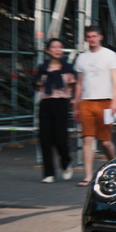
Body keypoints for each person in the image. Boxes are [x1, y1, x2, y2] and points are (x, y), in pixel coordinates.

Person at [73, 25, 116, 187]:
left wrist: (115, 101)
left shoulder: (110, 55)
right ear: (86, 39)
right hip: (86, 102)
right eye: (89, 37)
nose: (92, 39)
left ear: (100, 37)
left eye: (94, 36)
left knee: (105, 141)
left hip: (106, 102)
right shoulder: (81, 58)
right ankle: (88, 176)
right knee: (87, 139)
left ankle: (114, 164)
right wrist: (75, 104)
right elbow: (79, 83)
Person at [34, 38, 76, 184]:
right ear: (48, 50)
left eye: (60, 47)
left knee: (60, 139)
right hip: (45, 103)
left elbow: (71, 88)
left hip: (61, 104)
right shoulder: (43, 68)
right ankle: (49, 173)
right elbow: (38, 85)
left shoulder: (68, 68)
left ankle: (66, 163)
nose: (58, 50)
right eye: (54, 47)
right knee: (45, 139)